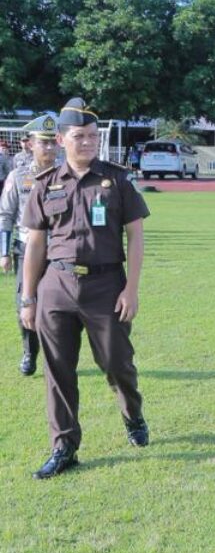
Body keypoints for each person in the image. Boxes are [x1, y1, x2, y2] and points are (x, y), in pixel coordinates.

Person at [19, 98, 151, 479]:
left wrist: (132, 289)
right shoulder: (45, 184)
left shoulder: (118, 179)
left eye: (93, 136)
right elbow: (36, 245)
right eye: (80, 137)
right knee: (57, 369)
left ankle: (133, 414)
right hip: (56, 285)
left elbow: (136, 237)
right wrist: (29, 298)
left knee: (116, 363)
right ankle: (64, 446)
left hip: (106, 284)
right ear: (62, 139)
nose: (89, 143)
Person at [0, 113, 59, 375]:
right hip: (27, 250)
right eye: (42, 142)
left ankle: (55, 357)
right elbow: (6, 215)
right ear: (31, 144)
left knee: (59, 307)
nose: (48, 148)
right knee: (27, 302)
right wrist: (4, 252)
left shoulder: (66, 174)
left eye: (51, 143)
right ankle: (29, 353)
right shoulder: (18, 175)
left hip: (59, 250)